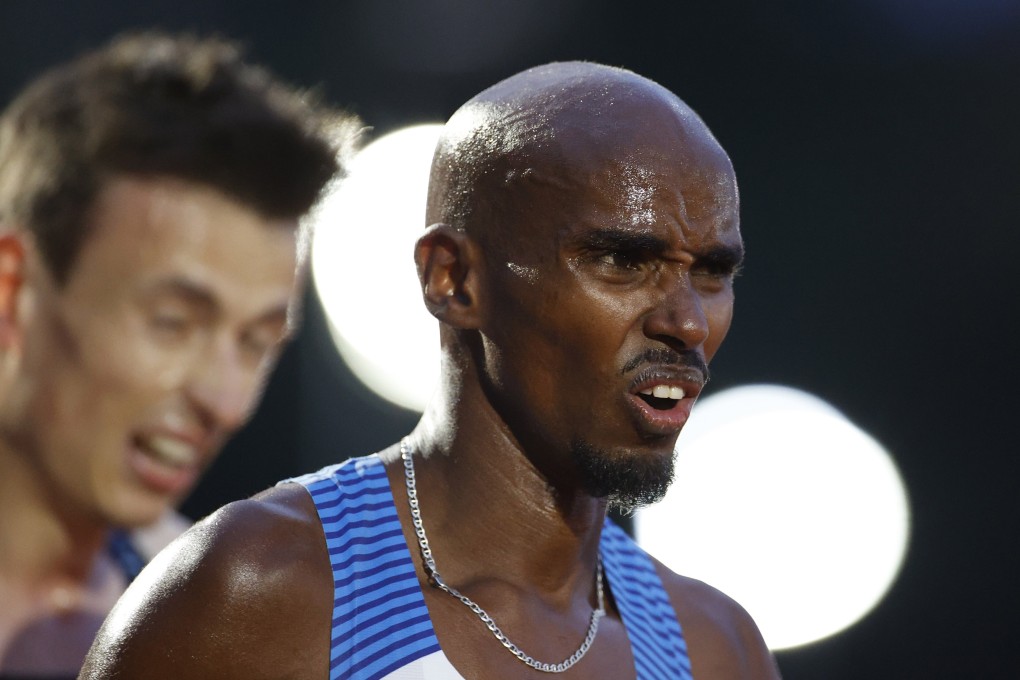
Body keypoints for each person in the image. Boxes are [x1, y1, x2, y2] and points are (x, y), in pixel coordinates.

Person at [81, 61, 781, 679]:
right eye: (623, 262)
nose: (687, 323)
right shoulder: (259, 595)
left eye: (713, 273)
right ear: (453, 279)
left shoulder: (718, 650)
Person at [0, 32, 354, 677]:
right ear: (14, 291)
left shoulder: (223, 625)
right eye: (173, 323)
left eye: (257, 342)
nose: (225, 400)